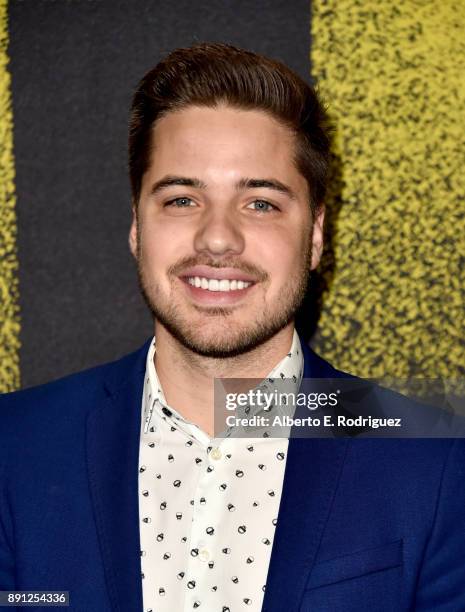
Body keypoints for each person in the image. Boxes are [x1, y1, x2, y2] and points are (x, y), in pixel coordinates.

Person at [1, 42, 464, 612]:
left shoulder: (435, 461)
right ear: (136, 228)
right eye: (181, 199)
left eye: (261, 203)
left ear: (316, 235)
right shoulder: (15, 446)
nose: (217, 238)